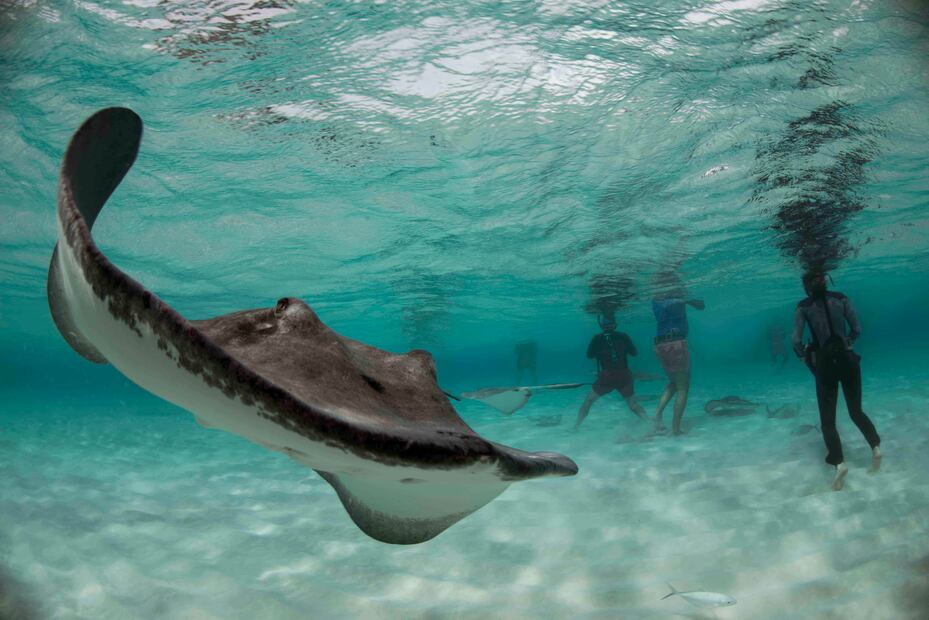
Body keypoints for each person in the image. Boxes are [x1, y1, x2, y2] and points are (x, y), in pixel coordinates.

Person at [792, 270, 881, 491]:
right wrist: (847, 344)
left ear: (806, 286)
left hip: (824, 366)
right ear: (826, 280)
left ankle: (839, 464)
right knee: (855, 411)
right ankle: (876, 448)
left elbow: (796, 340)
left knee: (828, 422)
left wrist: (804, 356)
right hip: (848, 361)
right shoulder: (841, 298)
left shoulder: (803, 307)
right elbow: (857, 329)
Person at [572, 313, 648, 430]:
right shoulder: (623, 336)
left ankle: (576, 427)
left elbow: (589, 355)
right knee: (632, 405)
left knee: (588, 401)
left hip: (606, 377)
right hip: (624, 375)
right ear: (615, 324)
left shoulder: (597, 338)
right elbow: (634, 353)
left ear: (601, 325)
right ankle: (650, 423)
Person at [651, 291, 705, 436]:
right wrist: (683, 298)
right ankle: (675, 429)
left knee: (674, 383)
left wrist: (682, 299)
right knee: (683, 388)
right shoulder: (677, 296)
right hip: (675, 344)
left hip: (660, 345)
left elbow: (663, 315)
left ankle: (657, 415)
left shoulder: (655, 297)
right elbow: (701, 306)